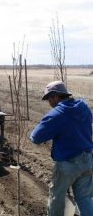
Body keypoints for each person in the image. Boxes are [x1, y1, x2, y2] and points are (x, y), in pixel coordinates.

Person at [29, 80, 93, 216]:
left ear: (56, 96)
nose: (49, 103)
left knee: (56, 197)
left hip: (67, 164)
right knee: (84, 198)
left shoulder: (57, 115)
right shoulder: (84, 107)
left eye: (49, 99)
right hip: (87, 159)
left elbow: (35, 137)